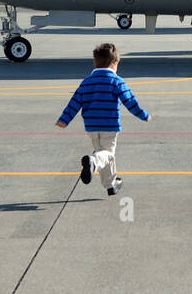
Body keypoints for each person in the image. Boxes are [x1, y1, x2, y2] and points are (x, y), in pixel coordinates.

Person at [56, 42, 150, 196]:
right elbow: (130, 101)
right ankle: (93, 162)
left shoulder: (86, 81)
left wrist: (64, 120)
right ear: (114, 63)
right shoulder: (116, 81)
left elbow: (75, 101)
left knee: (103, 153)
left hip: (92, 126)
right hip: (109, 125)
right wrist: (143, 115)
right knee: (107, 153)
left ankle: (110, 185)